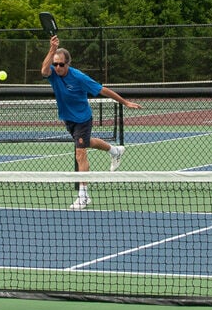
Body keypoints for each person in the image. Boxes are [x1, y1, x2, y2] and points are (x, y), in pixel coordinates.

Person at [42, 35, 141, 209]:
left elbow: (102, 90)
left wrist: (124, 102)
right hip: (68, 119)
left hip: (82, 118)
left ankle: (83, 195)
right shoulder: (53, 74)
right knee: (86, 142)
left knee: (80, 153)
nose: (57, 67)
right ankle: (115, 150)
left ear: (68, 64)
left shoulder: (79, 77)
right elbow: (44, 70)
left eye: (61, 64)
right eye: (55, 64)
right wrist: (52, 49)